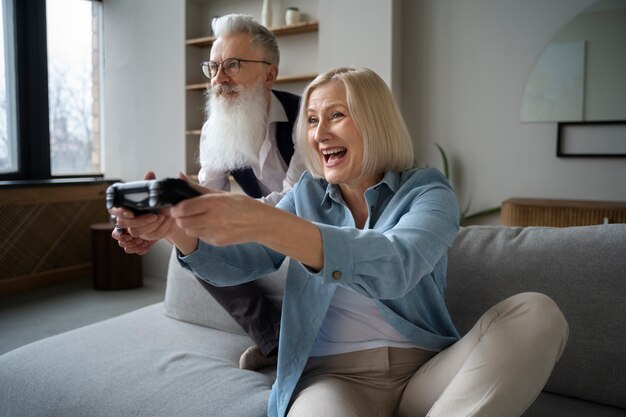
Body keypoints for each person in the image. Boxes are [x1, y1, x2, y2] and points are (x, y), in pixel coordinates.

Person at [113, 67, 569, 417]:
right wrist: (176, 232)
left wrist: (263, 220)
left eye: (336, 115)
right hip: (332, 379)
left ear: (373, 122)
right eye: (312, 120)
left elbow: (399, 264)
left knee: (536, 312)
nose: (318, 133)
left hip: (427, 373)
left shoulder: (427, 191)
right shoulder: (306, 195)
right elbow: (242, 262)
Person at [111, 14, 306, 371]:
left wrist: (221, 213)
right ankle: (274, 338)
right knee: (198, 250)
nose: (219, 79)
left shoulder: (305, 120)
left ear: (269, 74)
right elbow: (205, 202)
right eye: (213, 67)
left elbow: (291, 206)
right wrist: (161, 224)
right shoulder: (215, 130)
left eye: (233, 65)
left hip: (308, 222)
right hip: (260, 222)